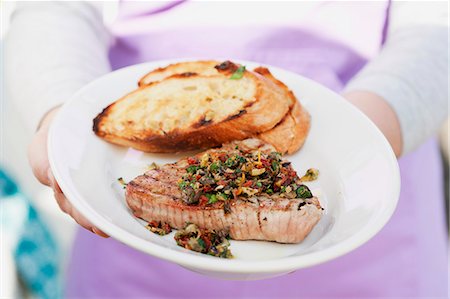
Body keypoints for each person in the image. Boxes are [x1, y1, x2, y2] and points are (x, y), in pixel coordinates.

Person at [5, 1, 448, 298]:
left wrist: (358, 140)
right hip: (129, 249)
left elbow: (436, 31)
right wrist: (62, 114)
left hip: (370, 247)